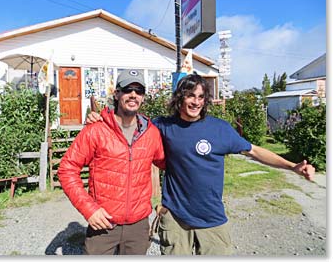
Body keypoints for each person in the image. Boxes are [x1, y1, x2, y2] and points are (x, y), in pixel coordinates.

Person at [86, 74, 315, 255]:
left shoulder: (220, 129)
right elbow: (128, 123)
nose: (195, 102)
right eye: (190, 96)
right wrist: (99, 118)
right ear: (180, 98)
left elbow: (254, 151)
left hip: (212, 219)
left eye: (200, 97)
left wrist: (292, 166)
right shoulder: (162, 127)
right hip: (176, 220)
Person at [57, 69, 166, 255]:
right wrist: (89, 210)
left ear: (143, 97)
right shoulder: (96, 130)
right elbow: (67, 169)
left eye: (139, 91)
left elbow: (169, 164)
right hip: (103, 224)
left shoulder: (152, 133)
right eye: (127, 89)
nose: (133, 95)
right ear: (117, 94)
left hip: (138, 227)